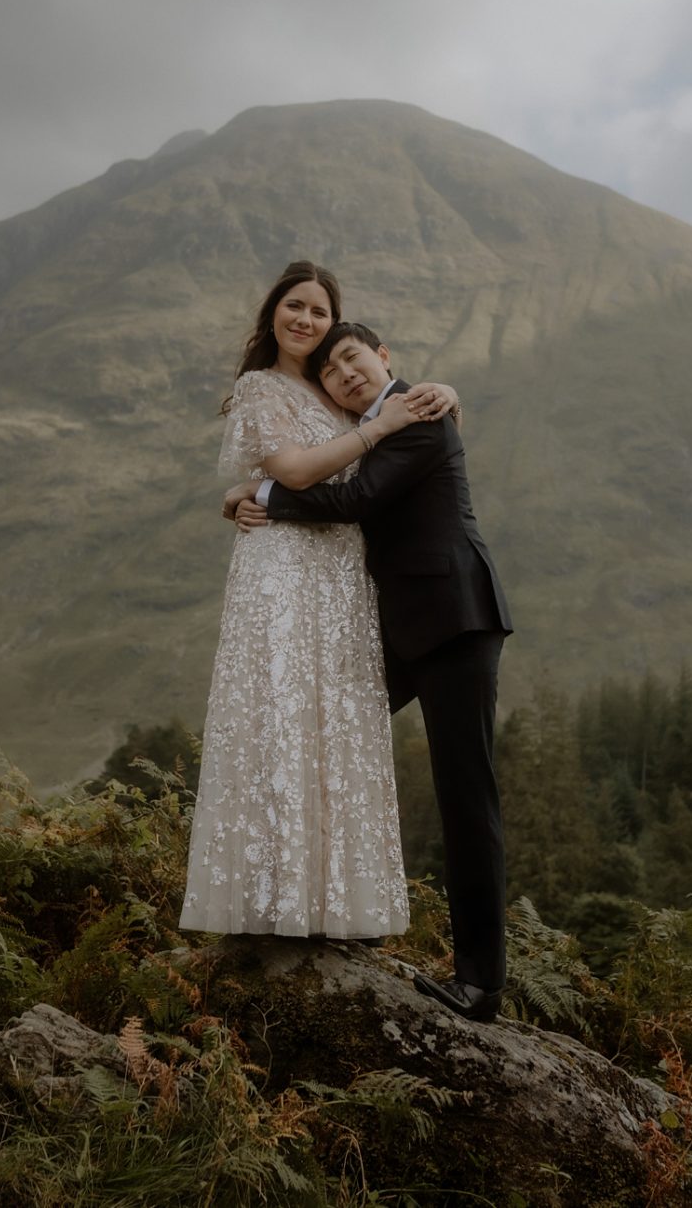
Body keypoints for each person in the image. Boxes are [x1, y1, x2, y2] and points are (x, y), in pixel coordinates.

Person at [228, 321, 512, 1022]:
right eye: (331, 371)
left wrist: (263, 498)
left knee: (465, 798)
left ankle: (480, 983)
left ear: (383, 357)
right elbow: (336, 476)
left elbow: (353, 502)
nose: (345, 374)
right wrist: (240, 495)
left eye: (353, 358)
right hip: (405, 631)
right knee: (332, 739)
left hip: (453, 620)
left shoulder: (416, 412)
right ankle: (334, 905)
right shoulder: (375, 426)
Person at [179, 262, 455, 940]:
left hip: (341, 574)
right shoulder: (261, 387)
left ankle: (333, 904)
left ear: (337, 324)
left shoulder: (338, 389)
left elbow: (401, 424)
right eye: (294, 306)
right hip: (281, 567)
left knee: (335, 719)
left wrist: (437, 391)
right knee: (279, 709)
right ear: (273, 311)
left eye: (319, 312)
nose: (305, 320)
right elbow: (297, 469)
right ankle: (268, 902)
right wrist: (374, 430)